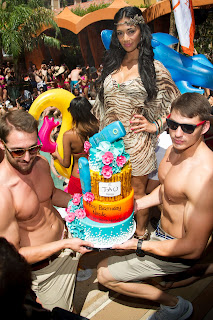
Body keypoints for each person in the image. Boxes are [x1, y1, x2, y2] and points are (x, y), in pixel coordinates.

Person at [97, 92, 213, 320]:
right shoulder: (173, 150)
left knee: (103, 273)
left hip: (178, 250)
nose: (178, 134)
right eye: (172, 124)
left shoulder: (205, 177)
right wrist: (137, 204)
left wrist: (139, 246)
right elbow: (168, 190)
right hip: (160, 235)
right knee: (161, 280)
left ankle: (175, 306)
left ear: (205, 127)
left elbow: (193, 248)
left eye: (188, 128)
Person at [92, 6, 180, 239]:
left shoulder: (154, 68)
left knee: (137, 192)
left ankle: (140, 235)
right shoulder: (111, 67)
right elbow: (102, 107)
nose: (125, 38)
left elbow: (177, 103)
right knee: (113, 191)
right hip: (108, 145)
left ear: (141, 30)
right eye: (120, 33)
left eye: (130, 31)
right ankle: (119, 231)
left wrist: (155, 125)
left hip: (137, 143)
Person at [0, 109, 93, 311]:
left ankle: (77, 269)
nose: (27, 158)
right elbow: (15, 256)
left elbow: (50, 195)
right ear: (2, 144)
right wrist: (66, 244)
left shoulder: (40, 162)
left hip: (69, 242)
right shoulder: (2, 194)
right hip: (46, 270)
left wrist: (80, 201)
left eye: (33, 148)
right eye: (18, 151)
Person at [52, 97, 99, 195]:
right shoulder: (98, 127)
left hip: (78, 178)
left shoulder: (68, 135)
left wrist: (56, 155)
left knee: (76, 208)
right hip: (96, 176)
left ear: (73, 114)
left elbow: (66, 164)